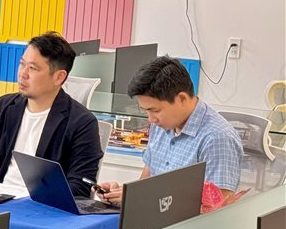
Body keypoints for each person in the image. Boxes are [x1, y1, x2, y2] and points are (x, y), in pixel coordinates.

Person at [98, 56, 243, 205]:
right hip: (152, 214)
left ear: (182, 99)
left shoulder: (217, 139)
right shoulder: (161, 124)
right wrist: (123, 195)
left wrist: (142, 198)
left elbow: (218, 208)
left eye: (155, 110)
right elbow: (147, 180)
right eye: (146, 111)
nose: (151, 119)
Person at [0, 32, 103, 198]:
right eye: (22, 64)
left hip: (41, 204)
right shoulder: (3, 107)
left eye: (32, 68)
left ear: (59, 77)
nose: (23, 74)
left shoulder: (82, 123)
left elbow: (81, 186)